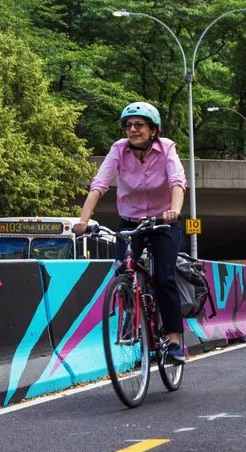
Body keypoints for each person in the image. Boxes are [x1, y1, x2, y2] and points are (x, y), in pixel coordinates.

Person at [73, 102, 187, 363]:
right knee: (123, 269)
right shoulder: (118, 149)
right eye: (128, 125)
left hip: (162, 221)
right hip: (130, 221)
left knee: (164, 278)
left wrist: (174, 210)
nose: (132, 129)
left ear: (153, 130)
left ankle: (173, 339)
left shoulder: (167, 148)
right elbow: (99, 185)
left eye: (139, 125)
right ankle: (130, 317)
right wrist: (83, 220)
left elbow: (177, 182)